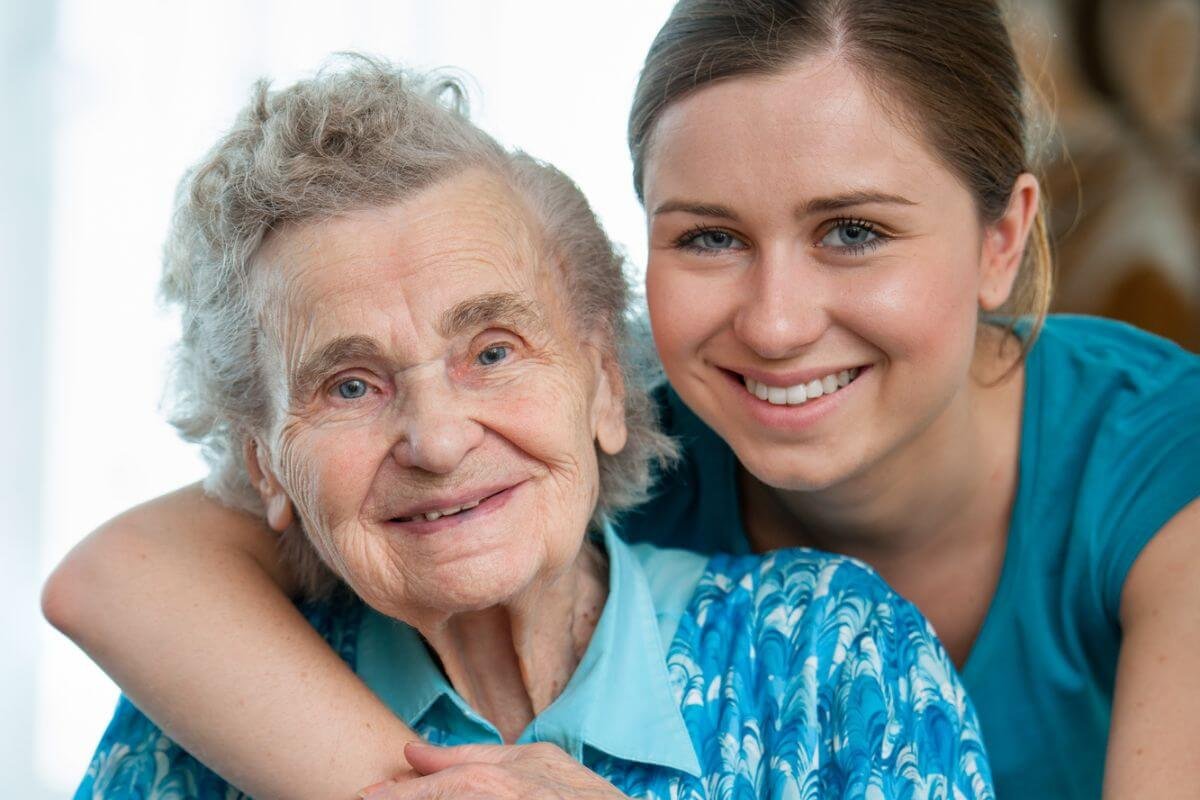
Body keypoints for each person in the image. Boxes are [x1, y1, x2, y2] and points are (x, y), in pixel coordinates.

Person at [44, 1, 1200, 798]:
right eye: (707, 236)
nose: (777, 320)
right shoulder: (573, 425)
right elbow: (120, 572)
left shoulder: (1156, 470)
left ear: (1004, 238)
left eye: (854, 231)